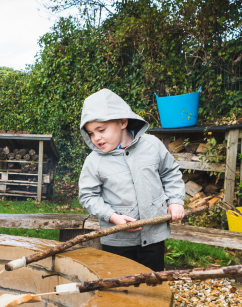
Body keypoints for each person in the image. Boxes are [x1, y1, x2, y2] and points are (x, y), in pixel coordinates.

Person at [77, 89, 185, 272]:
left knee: (153, 284)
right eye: (91, 133)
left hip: (154, 236)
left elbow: (171, 172)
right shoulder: (94, 161)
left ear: (123, 121)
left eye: (101, 130)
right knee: (120, 288)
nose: (96, 138)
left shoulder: (152, 145)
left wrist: (175, 201)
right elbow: (88, 196)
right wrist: (113, 217)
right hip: (117, 240)